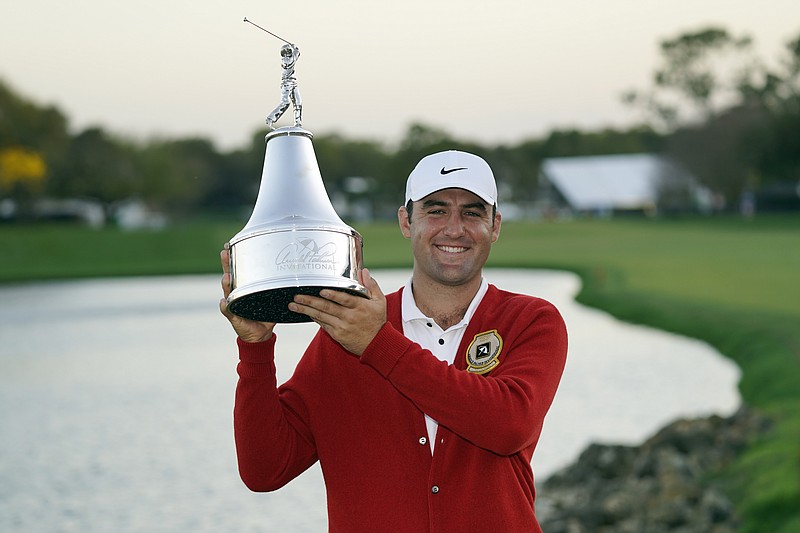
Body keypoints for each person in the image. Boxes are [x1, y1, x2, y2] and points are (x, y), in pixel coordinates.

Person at [219, 150, 568, 532]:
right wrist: (255, 349)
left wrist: (378, 344)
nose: (454, 229)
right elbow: (265, 469)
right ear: (406, 221)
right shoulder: (343, 335)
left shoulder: (531, 320)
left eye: (472, 212)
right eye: (435, 211)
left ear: (495, 225)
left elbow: (507, 426)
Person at [265, 43, 302, 129]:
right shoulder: (286, 60)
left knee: (298, 102)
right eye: (288, 50)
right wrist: (295, 48)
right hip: (286, 84)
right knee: (286, 102)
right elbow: (296, 56)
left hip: (293, 82)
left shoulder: (290, 57)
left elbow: (297, 54)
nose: (290, 52)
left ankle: (298, 123)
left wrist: (294, 48)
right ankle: (270, 118)